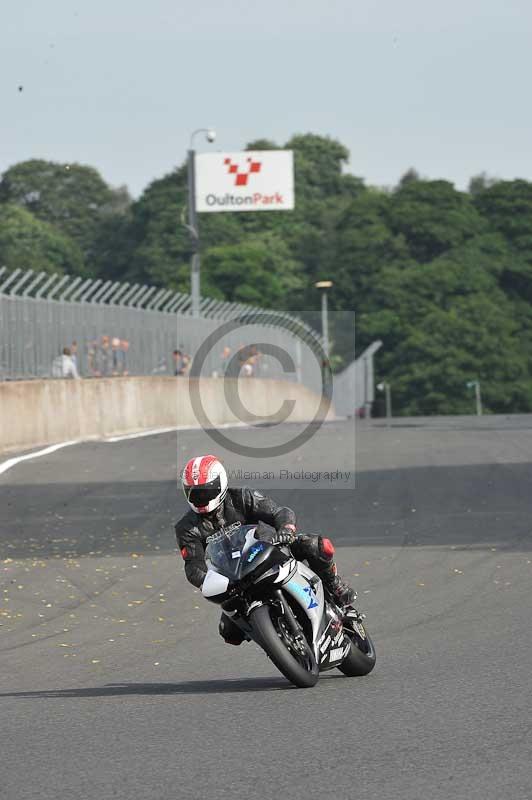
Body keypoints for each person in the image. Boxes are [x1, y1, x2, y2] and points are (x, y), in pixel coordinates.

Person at [175, 454, 355, 646]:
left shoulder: (242, 497)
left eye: (206, 491)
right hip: (234, 580)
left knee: (315, 545)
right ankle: (275, 637)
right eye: (195, 493)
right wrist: (207, 581)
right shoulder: (186, 527)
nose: (201, 498)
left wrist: (286, 528)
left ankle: (335, 585)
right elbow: (193, 566)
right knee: (229, 632)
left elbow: (278, 512)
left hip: (270, 552)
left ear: (221, 482)